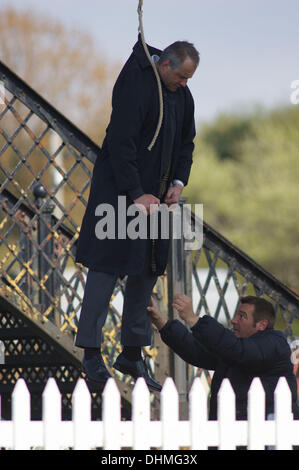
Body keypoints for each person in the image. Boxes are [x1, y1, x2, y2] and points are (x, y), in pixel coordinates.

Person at [74, 36, 200, 391]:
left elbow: (186, 142)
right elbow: (122, 142)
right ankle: (91, 351)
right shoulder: (136, 84)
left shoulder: (182, 96)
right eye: (183, 76)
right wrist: (135, 193)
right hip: (118, 196)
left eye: (190, 79)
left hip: (156, 200)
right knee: (105, 271)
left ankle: (131, 352)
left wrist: (177, 182)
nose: (185, 84)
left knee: (145, 271)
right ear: (165, 65)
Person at [148, 294, 299, 418]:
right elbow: (196, 351)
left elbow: (239, 351)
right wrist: (160, 321)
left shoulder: (274, 343)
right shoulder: (234, 349)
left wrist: (193, 319)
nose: (234, 320)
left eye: (242, 316)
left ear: (262, 325)